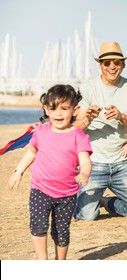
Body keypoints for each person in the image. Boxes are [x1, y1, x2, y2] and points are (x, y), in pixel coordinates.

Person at [8, 85, 92, 260]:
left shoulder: (78, 136)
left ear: (75, 110)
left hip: (67, 194)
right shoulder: (41, 132)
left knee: (61, 231)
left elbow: (85, 160)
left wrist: (85, 172)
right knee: (38, 226)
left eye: (64, 108)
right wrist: (18, 171)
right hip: (40, 189)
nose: (58, 114)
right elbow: (31, 152)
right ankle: (42, 260)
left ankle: (60, 262)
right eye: (53, 108)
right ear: (46, 109)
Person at [73, 41, 127, 220]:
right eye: (107, 63)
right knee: (86, 217)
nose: (112, 66)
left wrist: (121, 116)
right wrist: (88, 119)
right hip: (94, 163)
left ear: (123, 64)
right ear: (100, 65)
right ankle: (78, 199)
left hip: (121, 163)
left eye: (116, 62)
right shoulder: (87, 89)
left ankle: (107, 202)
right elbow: (74, 129)